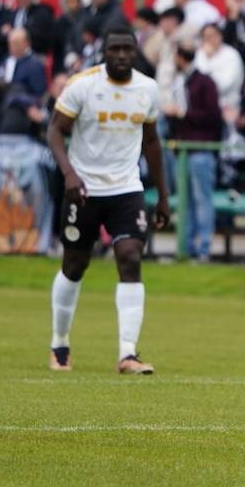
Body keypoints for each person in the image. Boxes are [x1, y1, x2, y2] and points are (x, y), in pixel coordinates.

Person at [45, 28, 170, 374]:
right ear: (103, 51)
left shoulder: (147, 89)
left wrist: (162, 194)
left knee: (130, 258)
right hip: (83, 189)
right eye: (114, 49)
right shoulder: (83, 85)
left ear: (135, 52)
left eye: (127, 49)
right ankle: (60, 343)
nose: (121, 55)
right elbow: (55, 130)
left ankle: (128, 353)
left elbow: (152, 142)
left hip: (126, 188)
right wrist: (69, 173)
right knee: (74, 265)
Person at [163, 43, 223, 260]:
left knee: (201, 200)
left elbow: (213, 117)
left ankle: (204, 248)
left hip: (200, 150)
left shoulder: (204, 82)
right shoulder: (181, 82)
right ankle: (185, 248)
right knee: (184, 202)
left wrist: (183, 113)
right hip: (182, 151)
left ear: (181, 58)